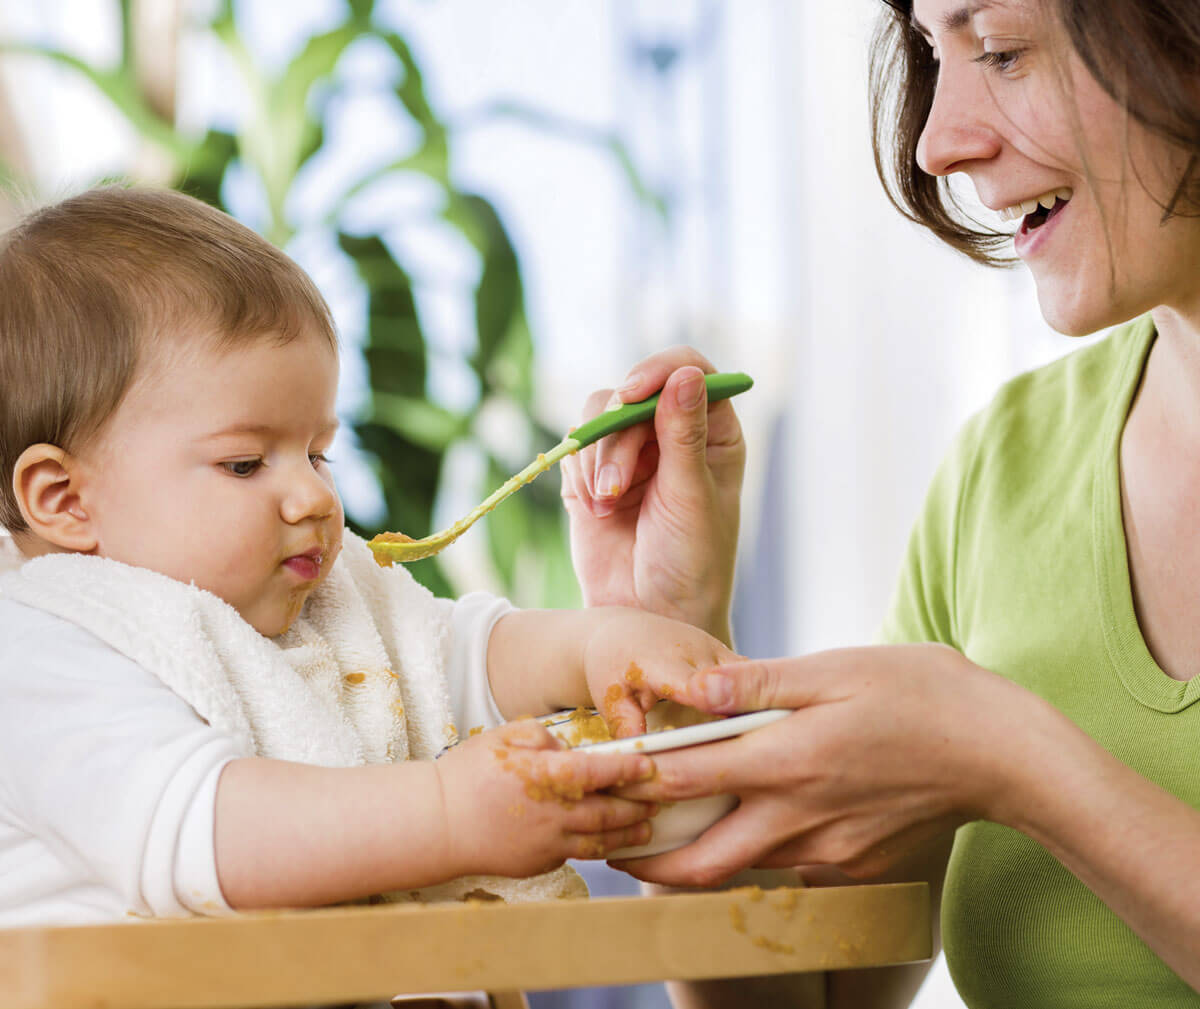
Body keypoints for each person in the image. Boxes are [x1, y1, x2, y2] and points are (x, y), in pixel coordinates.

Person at [561, 0, 1200, 1006]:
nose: (941, 142)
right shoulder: (1010, 468)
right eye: (930, 53)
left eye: (1000, 49)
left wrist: (1021, 764)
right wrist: (674, 650)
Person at [0, 186, 736, 928]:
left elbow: (459, 660)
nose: (314, 497)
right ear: (64, 498)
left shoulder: (326, 599)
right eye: (247, 464)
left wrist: (600, 645)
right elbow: (212, 832)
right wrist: (450, 813)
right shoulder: (39, 653)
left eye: (318, 452)